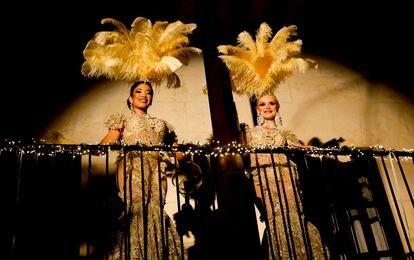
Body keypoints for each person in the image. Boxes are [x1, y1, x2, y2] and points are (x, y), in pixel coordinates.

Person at [100, 81, 185, 259]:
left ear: (152, 99)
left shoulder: (161, 124)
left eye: (148, 92)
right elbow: (104, 144)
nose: (143, 95)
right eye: (138, 91)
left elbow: (180, 155)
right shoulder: (123, 120)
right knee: (137, 210)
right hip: (133, 170)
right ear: (131, 98)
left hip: (156, 172)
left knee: (155, 209)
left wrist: (190, 153)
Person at [245, 93, 330, 259]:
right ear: (257, 110)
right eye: (262, 104)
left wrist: (318, 151)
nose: (267, 107)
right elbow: (251, 163)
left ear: (277, 107)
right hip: (265, 178)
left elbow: (299, 147)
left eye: (271, 103)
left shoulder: (285, 133)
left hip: (287, 176)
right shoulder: (251, 133)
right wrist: (256, 187)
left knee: (294, 215)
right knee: (276, 218)